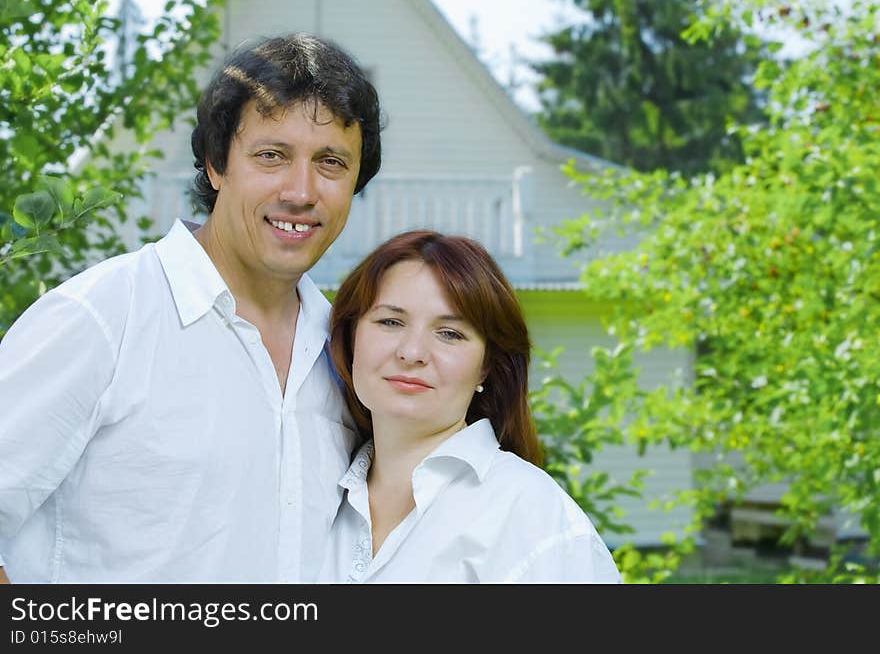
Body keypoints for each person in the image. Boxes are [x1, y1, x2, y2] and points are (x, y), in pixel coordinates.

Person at [0, 33, 382, 583]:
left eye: (331, 162)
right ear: (215, 164)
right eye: (271, 156)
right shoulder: (103, 319)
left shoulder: (349, 352)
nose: (301, 191)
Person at [318, 230, 621, 583]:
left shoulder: (529, 511)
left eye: (449, 333)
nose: (412, 353)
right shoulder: (317, 497)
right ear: (351, 338)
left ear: (487, 366)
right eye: (390, 322)